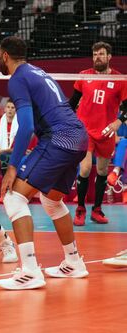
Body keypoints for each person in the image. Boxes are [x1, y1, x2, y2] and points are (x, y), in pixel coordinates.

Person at [0, 36, 89, 290]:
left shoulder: (18, 79)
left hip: (60, 138)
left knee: (14, 197)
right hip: (78, 137)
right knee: (51, 200)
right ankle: (73, 262)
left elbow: (25, 125)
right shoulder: (39, 72)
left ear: (5, 55)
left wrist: (13, 165)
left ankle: (29, 271)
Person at [69, 42, 127, 226]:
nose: (97, 58)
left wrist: (118, 122)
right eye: (94, 54)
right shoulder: (84, 76)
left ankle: (97, 209)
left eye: (101, 54)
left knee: (102, 170)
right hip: (84, 130)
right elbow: (73, 102)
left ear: (109, 56)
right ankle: (80, 209)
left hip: (106, 131)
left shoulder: (120, 79)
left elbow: (126, 105)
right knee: (85, 169)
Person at [0, 100, 17, 174]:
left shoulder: (20, 124)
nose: (10, 109)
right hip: (1, 152)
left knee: (4, 156)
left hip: (14, 153)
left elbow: (19, 146)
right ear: (5, 109)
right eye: (8, 107)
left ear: (16, 110)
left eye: (12, 107)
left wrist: (3, 151)